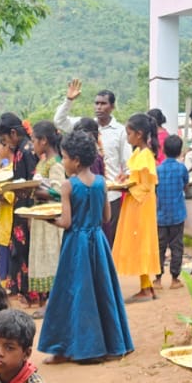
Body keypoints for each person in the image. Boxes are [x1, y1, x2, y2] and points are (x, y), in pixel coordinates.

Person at [38, 129, 133, 364]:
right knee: (102, 291)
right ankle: (112, 345)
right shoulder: (102, 183)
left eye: (65, 157)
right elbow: (106, 217)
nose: (63, 161)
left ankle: (66, 348)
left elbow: (66, 222)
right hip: (98, 242)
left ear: (76, 160)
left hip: (76, 245)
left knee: (72, 293)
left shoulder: (68, 186)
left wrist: (50, 220)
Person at [54, 79, 130, 238]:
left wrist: (125, 177)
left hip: (110, 194)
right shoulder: (85, 125)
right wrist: (69, 100)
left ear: (112, 106)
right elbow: (59, 121)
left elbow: (127, 163)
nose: (99, 107)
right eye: (96, 103)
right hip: (82, 193)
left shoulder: (120, 131)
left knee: (107, 238)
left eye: (103, 104)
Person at [112, 113, 161, 301]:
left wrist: (128, 185)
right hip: (135, 201)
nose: (128, 137)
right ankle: (146, 285)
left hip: (141, 203)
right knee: (138, 239)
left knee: (142, 240)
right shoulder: (138, 153)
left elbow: (147, 185)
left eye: (129, 133)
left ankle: (146, 288)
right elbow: (136, 177)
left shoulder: (146, 155)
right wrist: (126, 179)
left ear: (139, 134)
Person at [0, 112, 39, 296]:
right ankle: (20, 289)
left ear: (13, 133)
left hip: (27, 207)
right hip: (19, 207)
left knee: (25, 249)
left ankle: (29, 291)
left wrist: (30, 211)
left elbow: (32, 181)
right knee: (18, 249)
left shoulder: (27, 150)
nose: (5, 143)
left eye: (4, 139)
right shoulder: (20, 150)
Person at [22, 121, 67, 306]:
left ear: (44, 141)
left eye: (34, 140)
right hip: (40, 217)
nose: (32, 144)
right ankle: (47, 301)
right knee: (44, 256)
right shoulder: (42, 161)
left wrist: (35, 191)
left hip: (50, 218)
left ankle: (53, 302)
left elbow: (58, 191)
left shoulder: (55, 163)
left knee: (51, 257)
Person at [154, 135, 188, 289]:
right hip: (178, 214)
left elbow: (155, 189)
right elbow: (185, 184)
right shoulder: (181, 168)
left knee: (160, 247)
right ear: (180, 151)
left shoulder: (158, 170)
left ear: (163, 150)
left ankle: (158, 278)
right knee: (177, 246)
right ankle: (175, 278)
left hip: (161, 215)